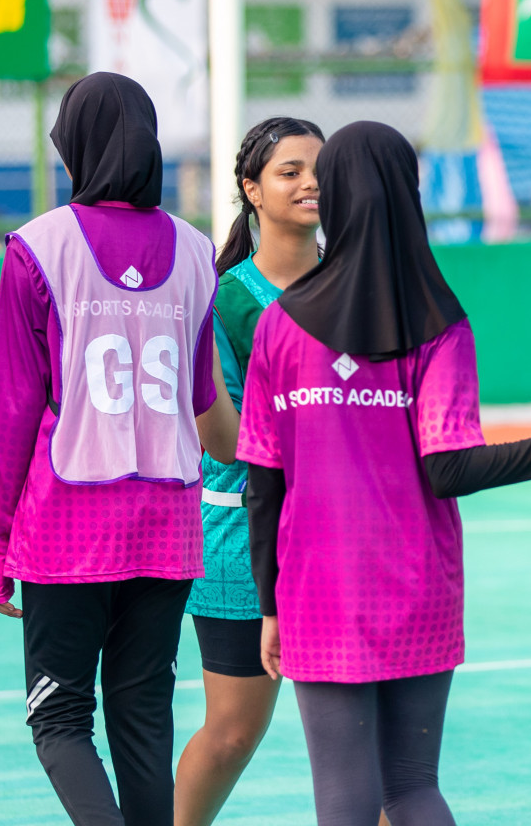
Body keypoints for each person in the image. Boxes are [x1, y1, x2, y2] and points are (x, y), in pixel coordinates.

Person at [235, 121, 531, 825]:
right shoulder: (440, 322)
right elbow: (449, 468)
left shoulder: (280, 326)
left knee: (343, 800)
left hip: (316, 591)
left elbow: (263, 481)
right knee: (411, 786)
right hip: (419, 588)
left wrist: (269, 604)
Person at [0, 71, 232, 826]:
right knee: (143, 723)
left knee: (59, 722)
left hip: (66, 528)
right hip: (167, 526)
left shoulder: (38, 248)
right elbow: (199, 398)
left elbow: (12, 413)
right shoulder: (195, 252)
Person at [175, 117, 332, 826]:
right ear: (252, 190)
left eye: (319, 170)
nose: (310, 183)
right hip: (245, 537)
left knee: (371, 741)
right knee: (235, 731)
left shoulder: (357, 285)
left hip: (342, 537)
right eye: (290, 170)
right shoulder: (227, 298)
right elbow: (227, 443)